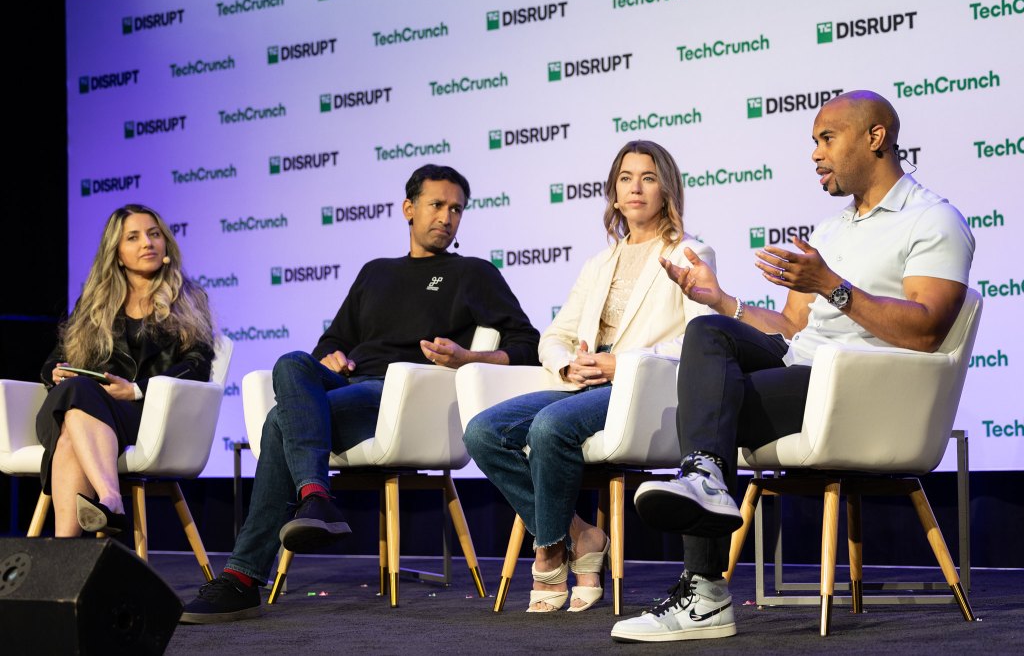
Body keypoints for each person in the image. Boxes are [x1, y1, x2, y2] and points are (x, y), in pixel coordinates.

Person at [610, 90, 976, 642]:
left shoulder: (933, 220)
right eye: (813, 142)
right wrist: (721, 300)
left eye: (827, 139)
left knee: (710, 411)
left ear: (875, 138)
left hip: (865, 391)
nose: (815, 154)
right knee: (707, 333)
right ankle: (706, 479)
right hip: (807, 370)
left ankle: (704, 593)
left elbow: (927, 331)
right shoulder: (832, 229)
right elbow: (792, 330)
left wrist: (831, 285)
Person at [180, 163, 540, 623]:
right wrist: (332, 357)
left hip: (405, 398)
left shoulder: (473, 273)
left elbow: (526, 346)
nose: (447, 217)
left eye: (457, 210)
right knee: (293, 361)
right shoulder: (375, 273)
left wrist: (467, 358)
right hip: (353, 387)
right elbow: (333, 341)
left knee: (278, 421)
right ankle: (313, 500)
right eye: (437, 205)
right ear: (408, 208)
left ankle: (246, 574)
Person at [463, 141, 716, 613]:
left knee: (550, 427)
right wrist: (567, 363)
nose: (635, 187)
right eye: (625, 178)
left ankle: (547, 552)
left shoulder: (689, 253)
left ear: (667, 189)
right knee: (483, 431)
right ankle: (580, 535)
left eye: (647, 177)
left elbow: (701, 342)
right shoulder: (598, 264)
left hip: (639, 391)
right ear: (614, 194)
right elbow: (553, 335)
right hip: (582, 384)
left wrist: (621, 363)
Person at [36, 204, 215, 538]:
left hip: (143, 418)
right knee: (77, 397)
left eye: (154, 234)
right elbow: (53, 362)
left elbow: (197, 368)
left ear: (165, 245)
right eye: (133, 237)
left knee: (71, 431)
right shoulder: (93, 304)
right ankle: (111, 500)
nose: (147, 243)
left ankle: (66, 555)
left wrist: (135, 390)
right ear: (117, 254)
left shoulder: (188, 300)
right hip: (82, 407)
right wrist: (56, 374)